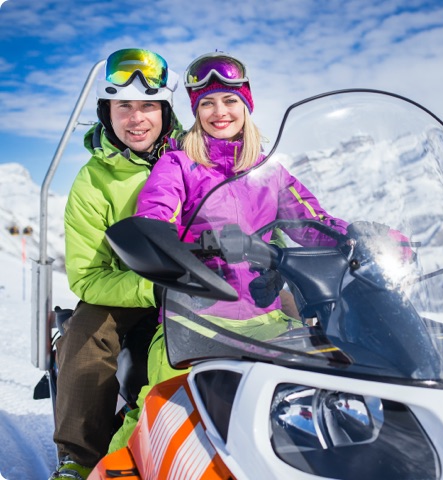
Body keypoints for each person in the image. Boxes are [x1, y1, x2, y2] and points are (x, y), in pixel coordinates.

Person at [106, 51, 350, 453]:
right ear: (196, 111)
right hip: (193, 321)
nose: (219, 112)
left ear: (246, 105)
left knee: (312, 408)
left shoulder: (269, 169)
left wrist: (356, 239)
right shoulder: (178, 164)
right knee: (158, 413)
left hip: (267, 320)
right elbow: (155, 213)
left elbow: (311, 222)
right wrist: (176, 244)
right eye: (207, 103)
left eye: (230, 100)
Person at [49, 48, 182, 480]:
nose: (137, 118)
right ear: (107, 112)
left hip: (199, 285)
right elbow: (87, 276)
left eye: (148, 105)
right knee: (87, 333)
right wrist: (151, 287)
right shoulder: (93, 182)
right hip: (131, 289)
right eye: (124, 106)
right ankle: (80, 456)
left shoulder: (192, 157)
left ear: (165, 111)